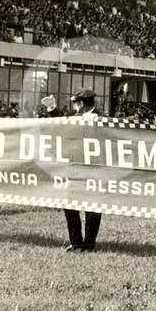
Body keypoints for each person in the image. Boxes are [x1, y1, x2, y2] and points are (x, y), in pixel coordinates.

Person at [63, 88, 102, 251]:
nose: (72, 105)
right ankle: (76, 242)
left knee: (92, 207)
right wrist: (52, 110)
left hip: (95, 170)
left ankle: (89, 244)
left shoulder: (103, 119)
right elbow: (59, 128)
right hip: (75, 168)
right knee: (70, 204)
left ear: (81, 104)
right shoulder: (76, 117)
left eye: (74, 102)